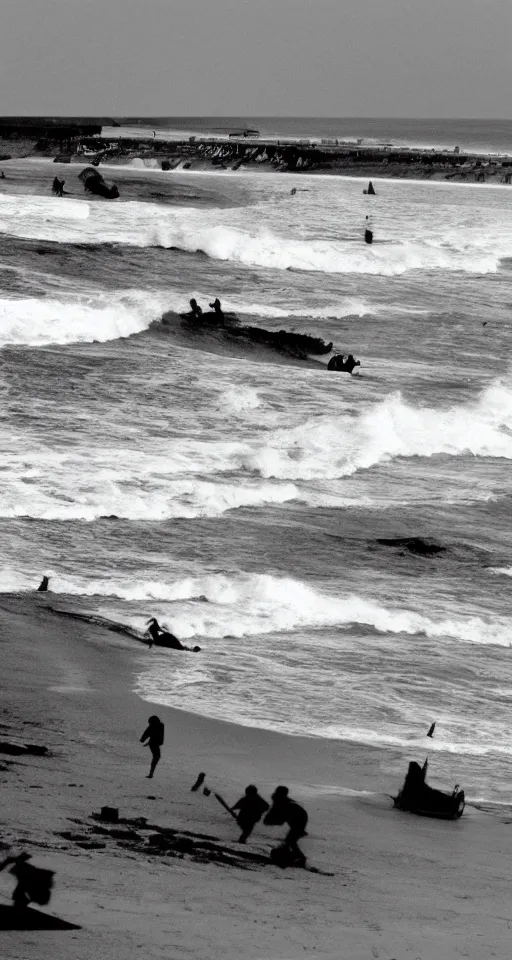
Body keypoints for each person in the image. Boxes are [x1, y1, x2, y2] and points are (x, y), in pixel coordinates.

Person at [263, 785, 308, 867]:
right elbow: (274, 810)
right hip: (296, 819)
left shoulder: (286, 803)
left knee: (291, 840)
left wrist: (271, 820)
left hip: (300, 819)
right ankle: (291, 855)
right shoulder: (278, 800)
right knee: (290, 840)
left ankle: (300, 858)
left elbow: (281, 819)